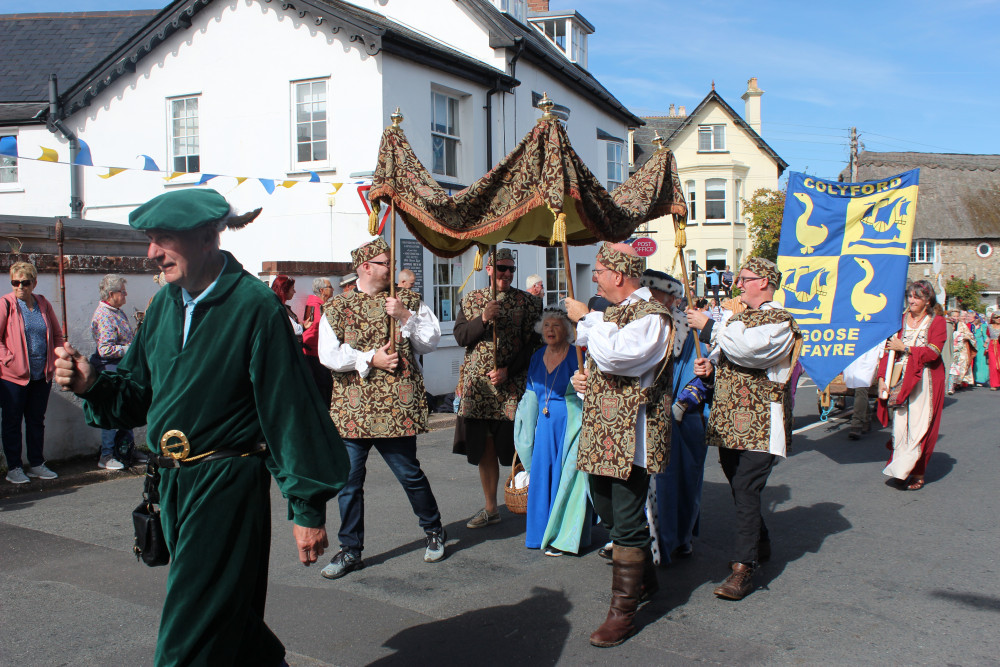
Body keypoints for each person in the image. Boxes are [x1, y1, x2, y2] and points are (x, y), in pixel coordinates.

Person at [53, 189, 349, 667]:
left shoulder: (255, 307)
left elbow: (287, 411)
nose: (152, 252)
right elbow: (137, 393)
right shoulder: (166, 304)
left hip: (225, 486)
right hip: (170, 483)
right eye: (151, 239)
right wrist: (92, 385)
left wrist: (307, 505)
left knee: (186, 637)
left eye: (164, 238)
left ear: (209, 237)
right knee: (227, 618)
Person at [317, 238, 447, 578]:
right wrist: (368, 358)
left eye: (390, 262)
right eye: (384, 262)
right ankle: (350, 549)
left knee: (409, 474)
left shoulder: (407, 300)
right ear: (365, 267)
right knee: (349, 482)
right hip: (353, 407)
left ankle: (433, 529)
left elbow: (429, 343)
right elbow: (327, 355)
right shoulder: (338, 306)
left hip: (396, 406)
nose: (390, 267)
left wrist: (404, 315)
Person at [565, 243, 672, 648]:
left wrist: (589, 319)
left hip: (632, 433)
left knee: (626, 516)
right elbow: (604, 367)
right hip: (602, 428)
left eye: (599, 270)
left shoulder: (652, 316)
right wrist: (585, 381)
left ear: (619, 275)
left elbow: (617, 357)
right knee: (606, 507)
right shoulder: (616, 314)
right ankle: (647, 579)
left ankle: (623, 613)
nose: (595, 277)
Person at [692, 257, 801, 601]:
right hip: (730, 420)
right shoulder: (739, 318)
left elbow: (752, 353)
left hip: (760, 421)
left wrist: (709, 327)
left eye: (744, 278)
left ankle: (743, 568)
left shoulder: (780, 320)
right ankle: (759, 540)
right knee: (739, 485)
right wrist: (710, 365)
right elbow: (728, 354)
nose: (738, 284)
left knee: (746, 486)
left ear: (764, 283)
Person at [453, 248, 540, 529]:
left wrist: (508, 370)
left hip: (512, 385)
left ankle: (532, 500)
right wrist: (484, 319)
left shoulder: (528, 303)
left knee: (522, 445)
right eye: (501, 268)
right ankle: (491, 508)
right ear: (489, 269)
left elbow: (533, 345)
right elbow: (461, 337)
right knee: (485, 448)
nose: (507, 274)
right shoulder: (471, 300)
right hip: (479, 390)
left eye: (511, 269)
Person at [641, 269, 709, 564]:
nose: (650, 299)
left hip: (681, 420)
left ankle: (677, 539)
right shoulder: (639, 327)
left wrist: (680, 405)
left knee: (679, 483)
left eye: (655, 294)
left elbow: (703, 374)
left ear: (671, 298)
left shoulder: (687, 331)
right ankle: (645, 541)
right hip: (646, 416)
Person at [513, 308, 589, 556]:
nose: (550, 330)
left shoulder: (576, 355)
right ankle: (539, 533)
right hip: (544, 426)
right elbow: (531, 392)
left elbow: (585, 390)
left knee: (566, 478)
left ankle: (562, 535)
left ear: (567, 330)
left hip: (569, 421)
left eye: (556, 326)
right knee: (542, 476)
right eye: (546, 326)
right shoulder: (537, 356)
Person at [877, 281, 946, 491]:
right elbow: (888, 350)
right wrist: (882, 377)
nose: (912, 300)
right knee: (900, 425)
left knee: (920, 425)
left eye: (917, 297)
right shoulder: (899, 321)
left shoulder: (937, 322)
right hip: (900, 377)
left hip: (926, 379)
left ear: (927, 301)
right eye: (910, 296)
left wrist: (905, 348)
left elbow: (933, 353)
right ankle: (900, 469)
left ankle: (917, 472)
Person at [0, 261, 64, 484]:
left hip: (41, 375)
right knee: (12, 422)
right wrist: (10, 359)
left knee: (36, 420)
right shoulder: (6, 304)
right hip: (13, 377)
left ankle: (37, 464)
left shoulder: (43, 304)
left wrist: (56, 360)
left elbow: (57, 334)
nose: (19, 287)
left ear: (34, 283)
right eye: (15, 282)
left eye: (25, 283)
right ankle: (14, 468)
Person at [90, 274, 148, 469]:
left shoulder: (117, 311)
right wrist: (130, 348)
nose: (125, 295)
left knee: (124, 410)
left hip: (121, 367)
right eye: (122, 292)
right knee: (112, 413)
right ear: (112, 294)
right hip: (109, 369)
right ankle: (106, 455)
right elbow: (105, 349)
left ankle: (127, 450)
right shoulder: (105, 315)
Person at [302, 277, 334, 405]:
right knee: (323, 385)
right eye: (330, 287)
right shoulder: (317, 307)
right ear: (322, 290)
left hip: (316, 351)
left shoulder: (317, 305)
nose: (333, 289)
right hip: (315, 352)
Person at [271, 275, 312, 344]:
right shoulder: (278, 307)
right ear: (285, 291)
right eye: (292, 289)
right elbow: (295, 329)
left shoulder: (278, 305)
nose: (294, 291)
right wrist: (302, 326)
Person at [948, 310, 975, 394]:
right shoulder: (947, 324)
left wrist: (963, 336)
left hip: (960, 349)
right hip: (949, 347)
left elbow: (970, 335)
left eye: (957, 316)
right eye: (954, 316)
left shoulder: (962, 325)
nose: (955, 318)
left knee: (958, 366)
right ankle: (949, 384)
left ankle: (955, 384)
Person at [971, 311, 990, 386]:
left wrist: (986, 346)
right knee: (974, 362)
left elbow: (986, 336)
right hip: (973, 345)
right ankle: (974, 378)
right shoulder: (971, 326)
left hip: (980, 346)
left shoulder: (983, 326)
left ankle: (980, 380)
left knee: (980, 363)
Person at [987, 312, 1000, 390]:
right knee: (993, 365)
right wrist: (985, 346)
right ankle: (994, 384)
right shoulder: (990, 327)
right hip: (992, 345)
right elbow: (988, 337)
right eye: (997, 317)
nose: (999, 319)